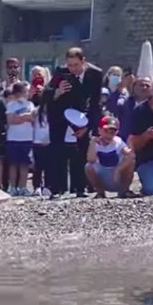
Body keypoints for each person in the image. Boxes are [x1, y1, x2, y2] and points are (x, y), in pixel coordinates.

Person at [42, 47, 103, 198]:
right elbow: (45, 94)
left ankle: (80, 187)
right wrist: (57, 91)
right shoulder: (60, 72)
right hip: (59, 113)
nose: (72, 69)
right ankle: (55, 188)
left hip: (80, 114)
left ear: (83, 61)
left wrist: (88, 126)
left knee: (82, 148)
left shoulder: (95, 74)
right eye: (70, 65)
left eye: (76, 65)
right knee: (56, 150)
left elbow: (96, 103)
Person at [85, 115, 137, 198]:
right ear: (99, 130)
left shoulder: (118, 141)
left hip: (118, 177)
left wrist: (118, 169)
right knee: (88, 167)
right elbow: (91, 160)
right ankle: (100, 192)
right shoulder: (96, 143)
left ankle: (124, 190)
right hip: (103, 177)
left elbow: (130, 155)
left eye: (112, 132)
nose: (109, 135)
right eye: (106, 131)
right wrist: (92, 143)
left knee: (131, 161)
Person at [5, 82, 35, 196]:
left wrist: (22, 118)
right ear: (19, 93)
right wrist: (24, 118)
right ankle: (12, 187)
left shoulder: (30, 104)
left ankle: (23, 187)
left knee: (24, 164)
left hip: (27, 138)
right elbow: (11, 120)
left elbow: (32, 118)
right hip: (13, 138)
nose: (28, 93)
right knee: (13, 164)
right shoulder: (11, 105)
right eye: (26, 91)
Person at [32, 99, 51, 196]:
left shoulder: (52, 112)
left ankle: (47, 186)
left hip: (48, 142)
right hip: (37, 142)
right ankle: (37, 186)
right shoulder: (35, 112)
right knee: (38, 167)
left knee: (48, 166)